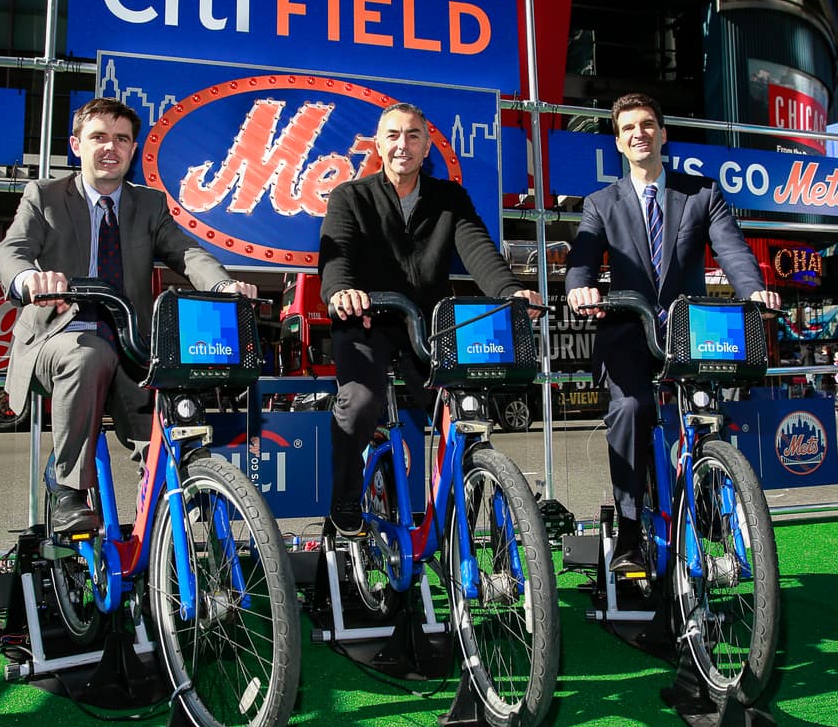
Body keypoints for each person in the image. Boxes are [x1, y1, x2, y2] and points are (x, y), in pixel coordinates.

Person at [0, 98, 256, 533]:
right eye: (98, 137)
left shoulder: (149, 205)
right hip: (58, 336)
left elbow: (187, 253)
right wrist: (28, 280)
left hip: (129, 340)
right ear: (77, 145)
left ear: (133, 150)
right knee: (89, 355)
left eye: (121, 139)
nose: (110, 147)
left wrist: (224, 286)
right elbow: (10, 250)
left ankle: (184, 485)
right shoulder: (45, 196)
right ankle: (69, 490)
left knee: (174, 379)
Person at [564, 92, 779, 574]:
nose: (639, 134)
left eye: (647, 125)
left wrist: (754, 291)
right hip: (627, 329)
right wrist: (579, 289)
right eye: (628, 129)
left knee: (708, 414)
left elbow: (733, 250)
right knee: (632, 408)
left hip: (690, 329)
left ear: (663, 133)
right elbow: (583, 255)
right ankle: (629, 529)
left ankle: (711, 492)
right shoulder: (601, 202)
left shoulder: (702, 193)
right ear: (618, 143)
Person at [318, 101, 542, 536]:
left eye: (414, 136)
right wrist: (341, 291)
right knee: (360, 403)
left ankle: (459, 508)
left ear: (426, 148)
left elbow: (478, 249)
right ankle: (344, 499)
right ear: (379, 146)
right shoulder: (351, 196)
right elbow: (337, 255)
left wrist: (511, 292)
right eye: (394, 136)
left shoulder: (448, 198)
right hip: (367, 323)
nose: (404, 144)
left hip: (429, 326)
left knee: (462, 412)